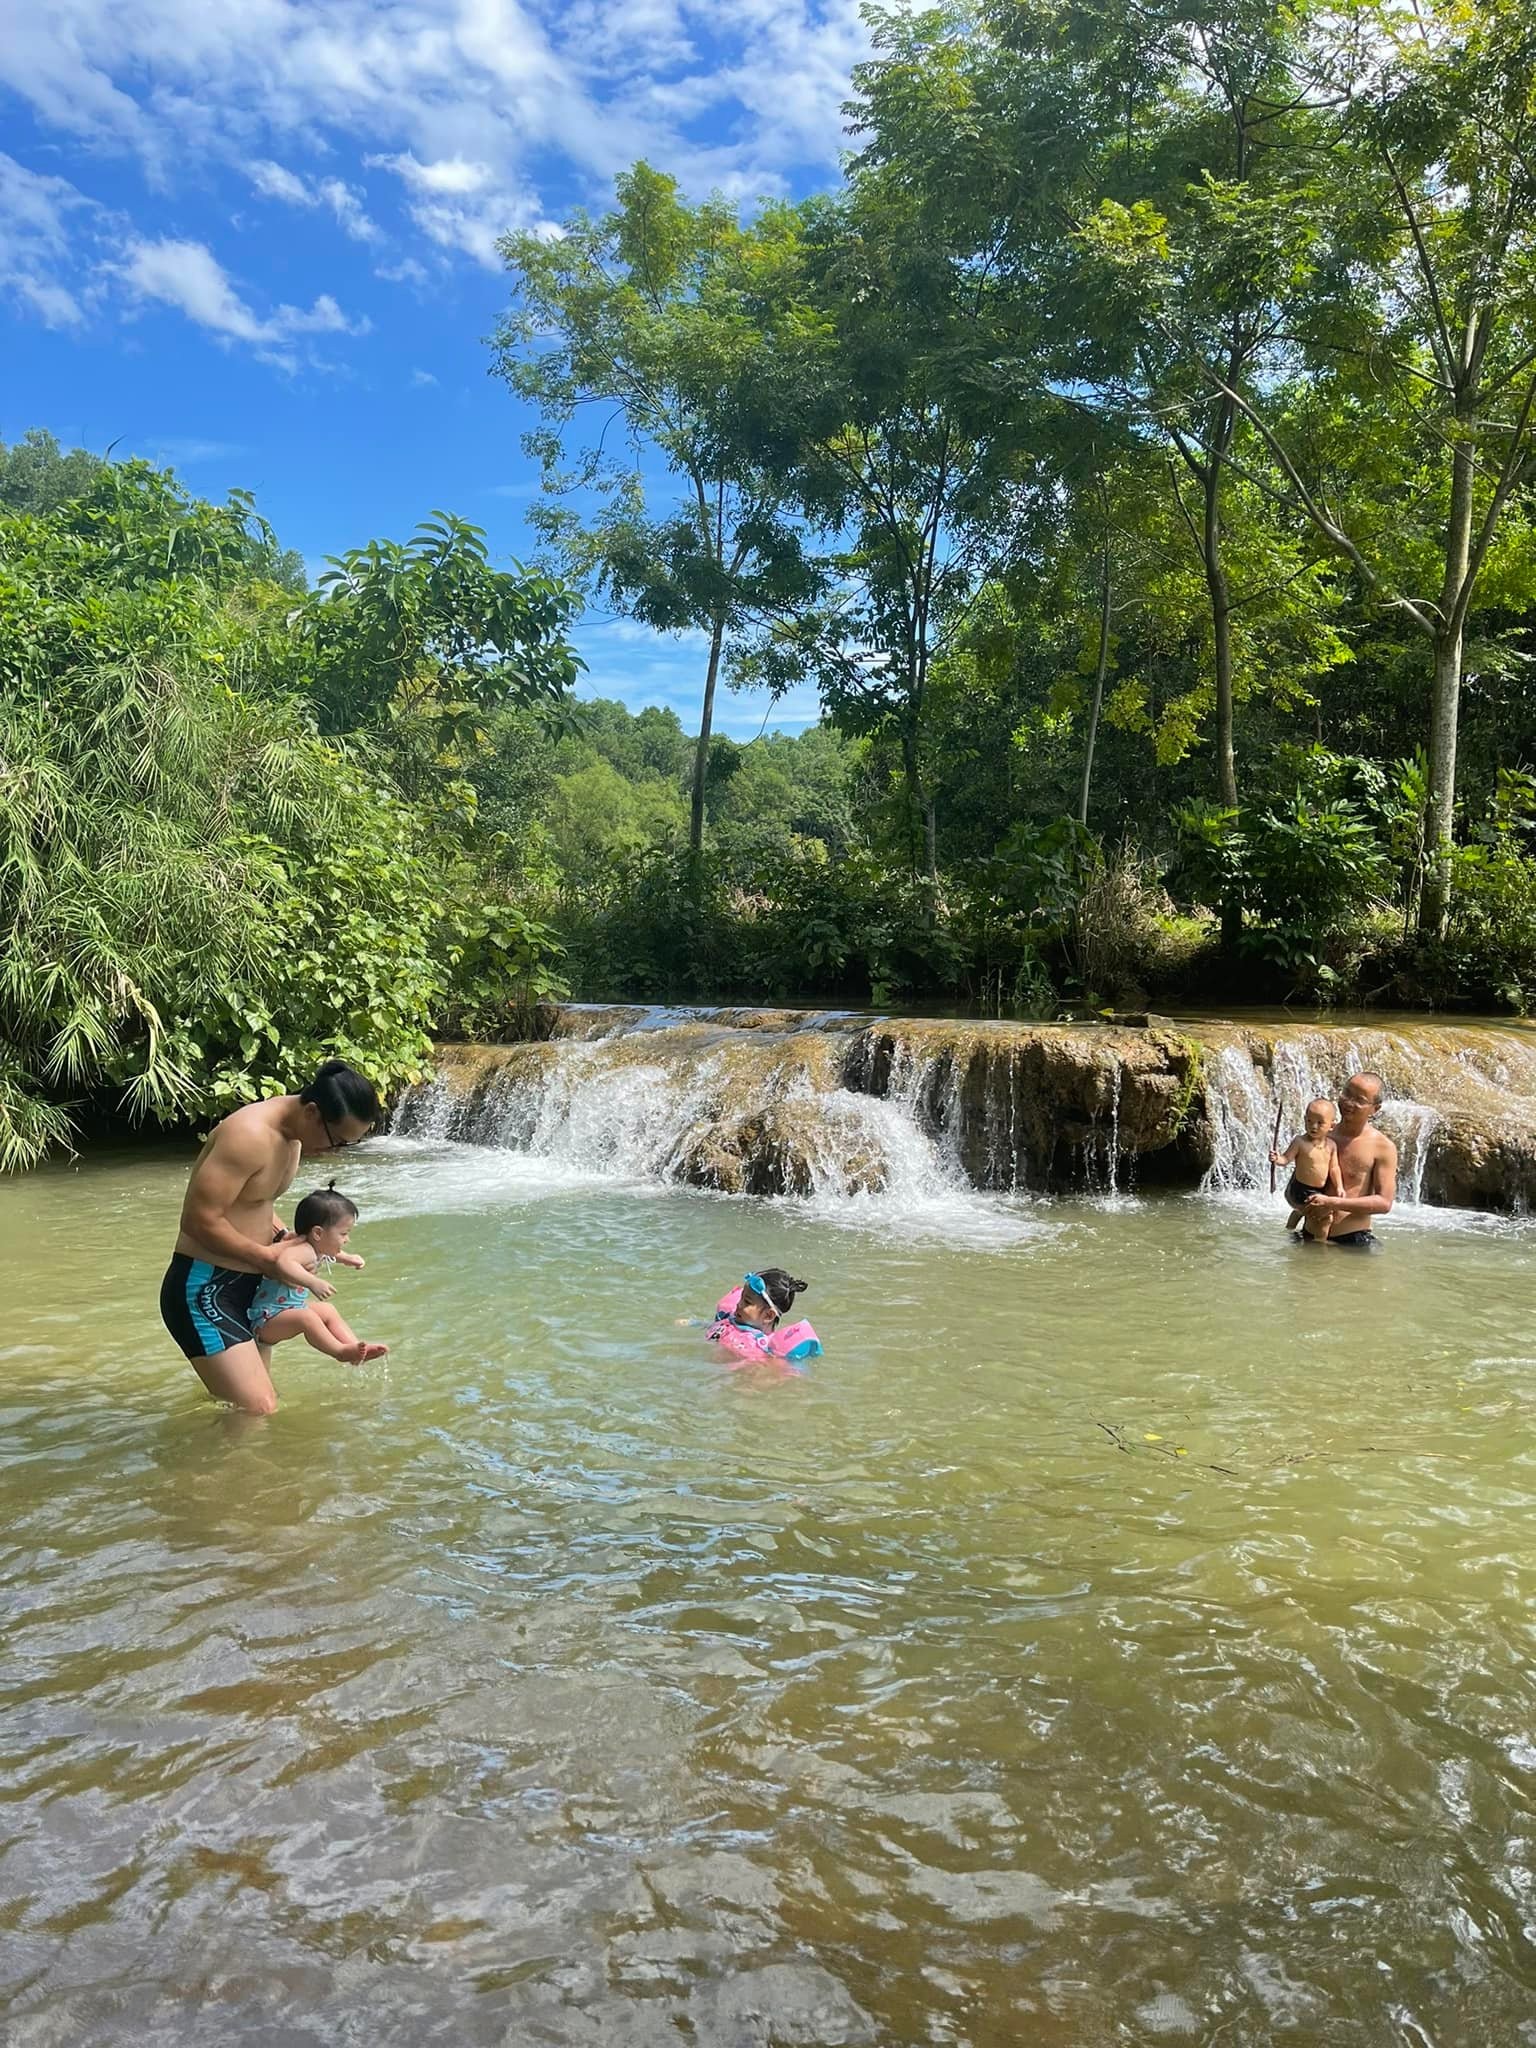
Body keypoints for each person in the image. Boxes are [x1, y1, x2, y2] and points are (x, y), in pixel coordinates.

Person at [159, 1059, 381, 1414]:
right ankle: (199, 1471)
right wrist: (269, 1260)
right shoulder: (248, 1135)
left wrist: (289, 1240)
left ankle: (224, 1466)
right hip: (204, 1288)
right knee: (259, 1408)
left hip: (250, 1289)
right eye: (337, 1140)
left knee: (245, 1410)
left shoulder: (292, 1139)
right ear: (312, 1112)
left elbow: (256, 1204)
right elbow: (198, 1221)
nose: (334, 1152)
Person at [249, 1185, 388, 1366]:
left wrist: (347, 1258)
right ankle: (339, 1351)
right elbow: (284, 1263)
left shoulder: (317, 1247)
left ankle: (353, 1348)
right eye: (344, 1234)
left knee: (328, 1310)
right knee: (306, 1317)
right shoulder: (302, 1250)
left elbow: (331, 1253)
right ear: (317, 1233)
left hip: (285, 1313)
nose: (347, 1239)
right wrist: (313, 1282)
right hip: (266, 1320)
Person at [1298, 1071, 1397, 1249]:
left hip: (1352, 1242)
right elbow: (1298, 1184)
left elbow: (1384, 1203)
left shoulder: (1383, 1147)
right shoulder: (1320, 1134)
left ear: (1376, 1108)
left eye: (1359, 1100)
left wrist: (1332, 1203)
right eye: (1347, 1093)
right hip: (1308, 1237)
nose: (1349, 1102)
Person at [1271, 1097, 1345, 1238]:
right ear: (1304, 1120)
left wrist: (1339, 1187)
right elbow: (1286, 1159)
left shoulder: (1331, 1146)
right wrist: (1276, 1159)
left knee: (1303, 1211)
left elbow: (1334, 1169)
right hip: (1300, 1188)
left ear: (1332, 1126)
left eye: (1319, 1123)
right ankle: (1320, 1244)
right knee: (1325, 1217)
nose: (1314, 1126)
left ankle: (1291, 1226)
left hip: (1319, 1189)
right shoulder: (1300, 1142)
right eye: (1309, 1121)